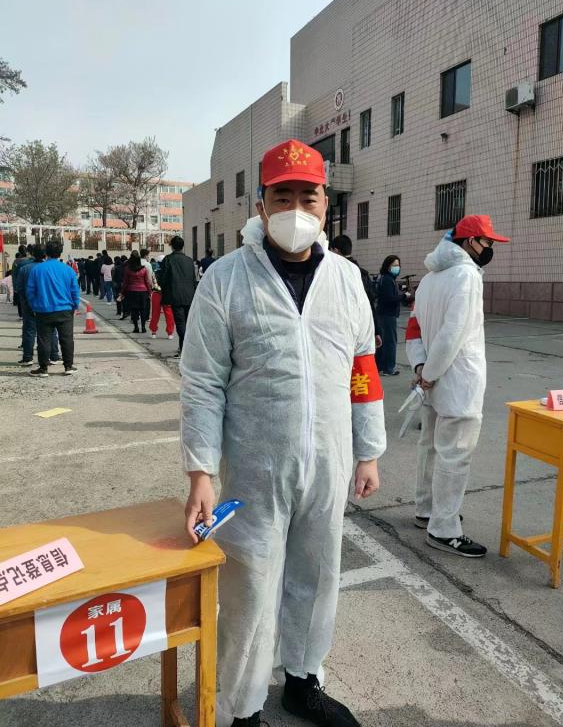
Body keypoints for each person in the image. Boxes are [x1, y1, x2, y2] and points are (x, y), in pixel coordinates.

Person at [180, 139, 386, 727]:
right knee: (249, 586)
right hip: (255, 466)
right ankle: (241, 707)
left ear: (326, 205)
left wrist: (368, 451)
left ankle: (303, 679)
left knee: (317, 576)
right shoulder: (226, 279)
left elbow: (363, 369)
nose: (296, 208)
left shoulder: (346, 279)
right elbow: (203, 381)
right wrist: (200, 471)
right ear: (261, 205)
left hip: (329, 459)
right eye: (282, 196)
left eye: (308, 196)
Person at [406, 214, 510, 558]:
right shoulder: (467, 275)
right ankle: (444, 528)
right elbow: (454, 333)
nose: (490, 248)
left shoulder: (429, 279)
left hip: (433, 381)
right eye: (487, 242)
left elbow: (414, 329)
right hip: (457, 382)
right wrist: (431, 373)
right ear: (468, 242)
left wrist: (421, 367)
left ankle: (427, 509)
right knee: (456, 454)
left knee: (430, 447)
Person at [27, 241, 80, 377]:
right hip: (65, 309)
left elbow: (30, 291)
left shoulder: (37, 269)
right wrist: (75, 305)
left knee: (44, 339)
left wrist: (34, 306)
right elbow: (75, 290)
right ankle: (68, 366)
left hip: (43, 310)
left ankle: (43, 368)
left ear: (46, 253)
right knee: (67, 339)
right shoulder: (68, 270)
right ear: (60, 253)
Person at [329, 234, 382, 351]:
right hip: (360, 332)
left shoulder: (331, 272)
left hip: (338, 334)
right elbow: (370, 305)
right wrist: (376, 331)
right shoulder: (362, 274)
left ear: (335, 251)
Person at [15, 244, 61, 367]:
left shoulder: (24, 268)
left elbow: (19, 288)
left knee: (29, 330)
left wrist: (25, 301)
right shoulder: (51, 268)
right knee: (51, 330)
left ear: (32, 254)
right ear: (45, 254)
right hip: (48, 304)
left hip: (29, 305)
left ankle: (27, 357)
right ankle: (54, 355)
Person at [157, 235, 197, 356]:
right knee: (187, 322)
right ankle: (183, 347)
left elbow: (163, 278)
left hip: (175, 295)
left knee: (180, 323)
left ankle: (186, 348)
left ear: (172, 246)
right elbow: (193, 279)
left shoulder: (168, 259)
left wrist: (161, 283)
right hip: (190, 295)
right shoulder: (189, 260)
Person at [375, 255, 411, 376]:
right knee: (390, 342)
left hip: (384, 314)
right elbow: (390, 298)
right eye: (394, 265)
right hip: (387, 315)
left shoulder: (387, 278)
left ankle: (380, 367)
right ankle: (389, 368)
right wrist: (404, 296)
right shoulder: (387, 280)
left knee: (383, 342)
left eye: (398, 265)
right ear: (388, 266)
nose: (397, 267)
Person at [120, 251, 152, 333]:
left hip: (132, 291)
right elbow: (147, 282)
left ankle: (136, 327)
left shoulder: (128, 269)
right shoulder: (144, 269)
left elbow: (125, 282)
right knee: (143, 309)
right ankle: (143, 327)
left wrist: (122, 292)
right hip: (143, 291)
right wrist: (149, 292)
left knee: (134, 310)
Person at [11, 244, 34, 317]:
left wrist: (15, 287)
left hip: (20, 283)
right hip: (29, 283)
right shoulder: (31, 260)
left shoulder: (16, 262)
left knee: (21, 300)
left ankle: (21, 314)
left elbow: (14, 274)